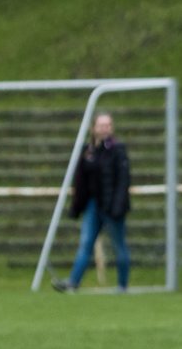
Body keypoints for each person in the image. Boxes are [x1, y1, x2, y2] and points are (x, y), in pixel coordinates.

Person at [53, 112, 131, 292]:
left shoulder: (117, 149)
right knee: (86, 242)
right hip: (94, 205)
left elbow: (123, 180)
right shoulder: (88, 151)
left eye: (108, 125)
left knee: (119, 245)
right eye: (101, 125)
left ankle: (122, 285)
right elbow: (81, 181)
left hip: (112, 206)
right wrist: (76, 206)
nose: (105, 129)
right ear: (94, 128)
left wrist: (118, 206)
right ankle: (73, 282)